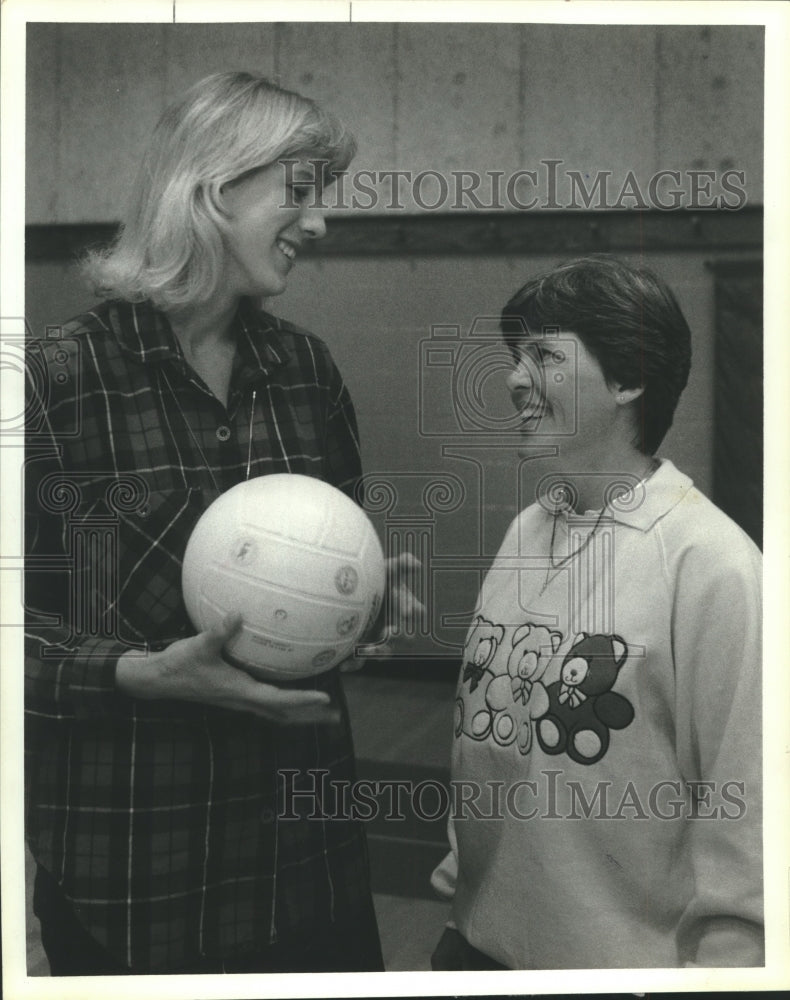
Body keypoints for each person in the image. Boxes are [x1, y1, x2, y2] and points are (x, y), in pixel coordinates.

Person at [25, 71, 408, 975]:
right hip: (135, 878)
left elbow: (329, 598)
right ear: (212, 188)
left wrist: (364, 612)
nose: (319, 224)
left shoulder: (307, 372)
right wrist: (131, 673)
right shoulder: (52, 381)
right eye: (301, 193)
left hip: (307, 869)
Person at [430, 256, 763, 969]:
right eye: (515, 357)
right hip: (475, 944)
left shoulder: (712, 564)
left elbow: (747, 804)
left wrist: (727, 971)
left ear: (627, 379)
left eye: (545, 355)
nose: (516, 378)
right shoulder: (528, 528)